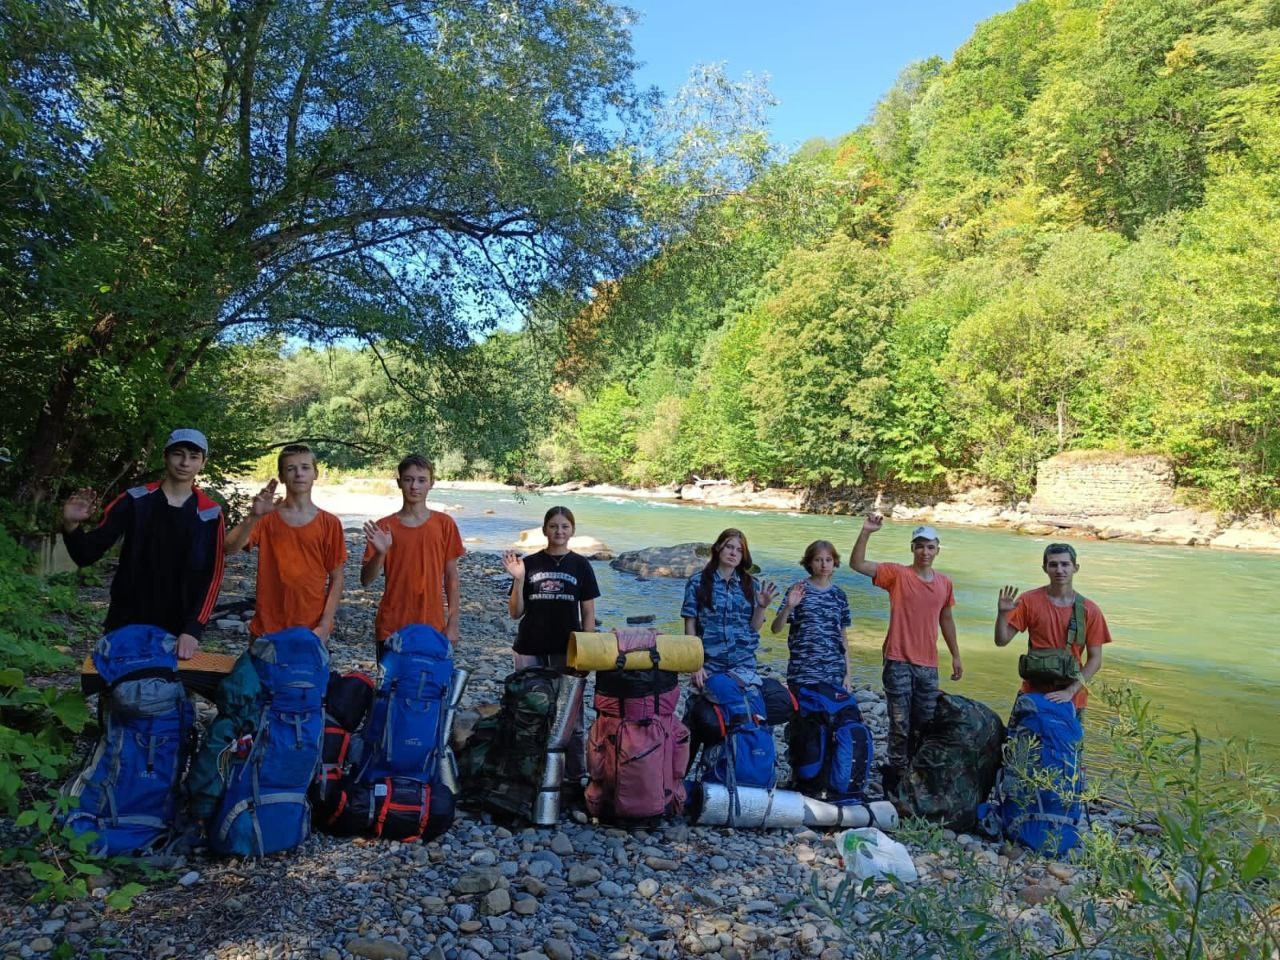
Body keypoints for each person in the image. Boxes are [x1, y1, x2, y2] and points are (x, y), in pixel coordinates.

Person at [61, 428, 224, 660]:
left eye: (194, 456)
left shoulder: (210, 513)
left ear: (203, 463)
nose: (185, 463)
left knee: (165, 683)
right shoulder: (134, 500)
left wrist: (193, 628)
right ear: (165, 456)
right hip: (125, 620)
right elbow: (86, 554)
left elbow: (212, 577)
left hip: (177, 630)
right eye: (178, 454)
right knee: (117, 681)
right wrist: (71, 525)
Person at [850, 516, 961, 791]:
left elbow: (946, 619)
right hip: (898, 659)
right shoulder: (898, 574)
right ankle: (896, 777)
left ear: (938, 550)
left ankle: (916, 773)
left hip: (928, 664)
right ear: (912, 548)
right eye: (919, 546)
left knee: (924, 723)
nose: (925, 551)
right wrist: (866, 532)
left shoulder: (945, 583)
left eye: (930, 547)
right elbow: (857, 564)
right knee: (899, 724)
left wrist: (956, 655)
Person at [501, 505, 600, 785]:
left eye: (564, 526)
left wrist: (588, 652)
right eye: (553, 526)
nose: (559, 531)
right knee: (528, 711)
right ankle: (528, 773)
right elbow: (515, 613)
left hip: (567, 650)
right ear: (544, 529)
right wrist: (519, 579)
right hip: (529, 647)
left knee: (572, 716)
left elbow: (588, 613)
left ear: (572, 530)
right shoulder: (529, 563)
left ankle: (575, 776)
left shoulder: (581, 565)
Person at [224, 444, 346, 645]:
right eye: (291, 468)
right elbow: (229, 548)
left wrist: (325, 625)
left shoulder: (329, 523)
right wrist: (253, 516)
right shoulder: (266, 518)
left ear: (315, 473)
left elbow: (337, 577)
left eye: (305, 467)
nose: (299, 473)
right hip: (266, 628)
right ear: (281, 476)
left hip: (311, 629)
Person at [360, 454, 464, 654]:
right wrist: (380, 553)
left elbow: (451, 576)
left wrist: (453, 621)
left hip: (433, 624)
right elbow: (365, 580)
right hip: (391, 626)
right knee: (391, 676)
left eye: (421, 480)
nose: (414, 486)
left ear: (431, 483)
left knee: (429, 674)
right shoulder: (384, 527)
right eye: (408, 479)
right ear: (399, 482)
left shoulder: (445, 524)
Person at [994, 542, 1112, 712]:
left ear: (1075, 568)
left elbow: (1095, 660)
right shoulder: (1028, 600)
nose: (1059, 570)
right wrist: (1002, 614)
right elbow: (1001, 641)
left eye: (1065, 564)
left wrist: (1069, 692)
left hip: (1072, 699)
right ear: (1045, 568)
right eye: (1053, 564)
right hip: (1031, 694)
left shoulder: (1090, 610)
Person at [682, 528, 778, 690]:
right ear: (718, 547)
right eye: (729, 547)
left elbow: (754, 628)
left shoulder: (752, 584)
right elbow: (690, 626)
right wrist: (695, 665)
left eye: (739, 550)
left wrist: (762, 607)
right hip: (710, 665)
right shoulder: (697, 582)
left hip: (744, 664)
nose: (734, 553)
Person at [772, 539, 852, 690]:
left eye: (828, 560)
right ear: (809, 562)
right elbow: (775, 629)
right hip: (803, 671)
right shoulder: (798, 590)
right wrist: (788, 607)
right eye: (818, 560)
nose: (824, 565)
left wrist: (848, 674)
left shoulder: (839, 595)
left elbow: (843, 636)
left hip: (834, 672)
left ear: (834, 562)